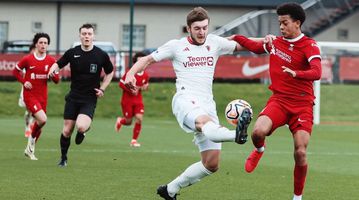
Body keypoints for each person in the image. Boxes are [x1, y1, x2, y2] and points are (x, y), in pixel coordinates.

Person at [124, 7, 252, 199]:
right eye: (197, 28)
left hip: (208, 104)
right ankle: (236, 134)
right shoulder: (176, 46)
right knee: (203, 123)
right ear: (188, 28)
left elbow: (243, 45)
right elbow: (147, 59)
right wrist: (130, 74)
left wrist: (269, 41)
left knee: (211, 163)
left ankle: (170, 190)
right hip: (185, 100)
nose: (202, 32)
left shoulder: (215, 43)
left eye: (205, 28)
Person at [230, 3, 322, 200]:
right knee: (257, 132)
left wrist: (296, 73)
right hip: (279, 101)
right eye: (279, 23)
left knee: (300, 151)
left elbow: (317, 72)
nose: (281, 27)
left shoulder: (310, 45)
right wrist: (237, 38)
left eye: (285, 23)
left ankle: (297, 198)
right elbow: (255, 47)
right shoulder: (275, 43)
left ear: (297, 23)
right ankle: (259, 150)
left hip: (302, 105)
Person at [48, 23, 114, 167]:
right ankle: (63, 158)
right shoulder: (72, 52)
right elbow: (58, 64)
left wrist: (102, 88)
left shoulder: (101, 55)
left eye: (89, 34)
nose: (86, 36)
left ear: (93, 36)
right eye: (84, 34)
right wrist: (52, 70)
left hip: (89, 98)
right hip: (73, 97)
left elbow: (110, 72)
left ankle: (83, 131)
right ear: (80, 35)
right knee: (66, 130)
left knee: (81, 127)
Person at [13, 33, 60, 160]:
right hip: (30, 96)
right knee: (43, 119)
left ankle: (30, 149)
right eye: (41, 42)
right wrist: (24, 81)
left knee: (40, 124)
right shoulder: (28, 59)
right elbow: (15, 71)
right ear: (36, 44)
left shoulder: (51, 61)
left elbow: (57, 80)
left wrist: (53, 76)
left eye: (45, 43)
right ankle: (30, 145)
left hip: (43, 97)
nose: (43, 45)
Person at [115, 51, 149, 147]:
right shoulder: (130, 73)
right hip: (127, 100)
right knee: (128, 121)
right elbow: (121, 84)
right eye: (139, 61)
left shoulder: (146, 75)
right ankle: (120, 121)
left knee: (139, 118)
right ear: (135, 62)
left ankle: (134, 140)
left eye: (143, 61)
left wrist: (145, 87)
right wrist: (131, 90)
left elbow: (145, 86)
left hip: (138, 101)